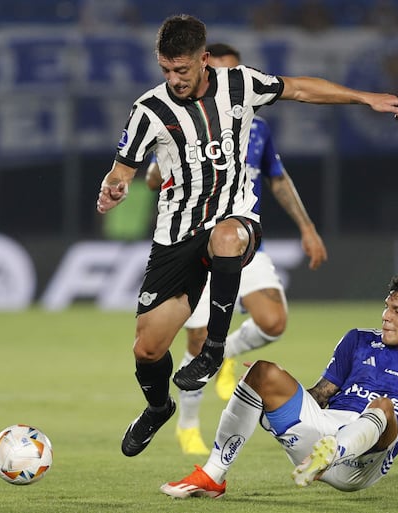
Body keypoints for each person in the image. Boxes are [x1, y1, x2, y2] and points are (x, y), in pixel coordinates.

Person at [95, 14, 398, 459]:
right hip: (175, 238)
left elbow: (300, 88)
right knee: (147, 350)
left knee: (226, 238)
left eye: (182, 70)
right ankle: (157, 407)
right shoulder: (149, 109)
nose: (174, 79)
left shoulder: (239, 85)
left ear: (204, 60)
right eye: (166, 70)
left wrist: (364, 98)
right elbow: (123, 169)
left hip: (235, 220)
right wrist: (114, 188)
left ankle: (213, 350)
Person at [161, 271, 398, 498]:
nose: (385, 317)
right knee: (261, 371)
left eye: (397, 312)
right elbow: (321, 394)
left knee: (382, 408)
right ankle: (213, 475)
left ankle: (329, 456)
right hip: (321, 434)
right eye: (386, 307)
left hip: (363, 461)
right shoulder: (357, 340)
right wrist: (270, 402)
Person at [145, 43, 329, 455]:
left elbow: (277, 180)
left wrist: (308, 227)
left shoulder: (257, 130)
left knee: (272, 321)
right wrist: (162, 166)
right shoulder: (181, 121)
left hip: (241, 238)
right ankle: (188, 424)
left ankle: (221, 351)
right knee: (194, 338)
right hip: (195, 242)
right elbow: (153, 178)